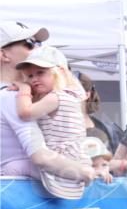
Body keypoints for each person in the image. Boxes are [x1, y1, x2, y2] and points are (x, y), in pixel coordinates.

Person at [0, 21, 96, 184]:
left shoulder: (22, 95)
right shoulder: (11, 97)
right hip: (26, 196)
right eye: (29, 44)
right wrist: (85, 172)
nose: (37, 48)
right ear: (3, 55)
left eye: (38, 43)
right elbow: (41, 157)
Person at [12, 46, 91, 198]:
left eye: (40, 73)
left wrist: (23, 89)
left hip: (62, 160)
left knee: (14, 167)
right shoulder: (70, 96)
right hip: (76, 158)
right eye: (29, 76)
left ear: (59, 72)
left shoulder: (56, 97)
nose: (34, 79)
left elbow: (25, 113)